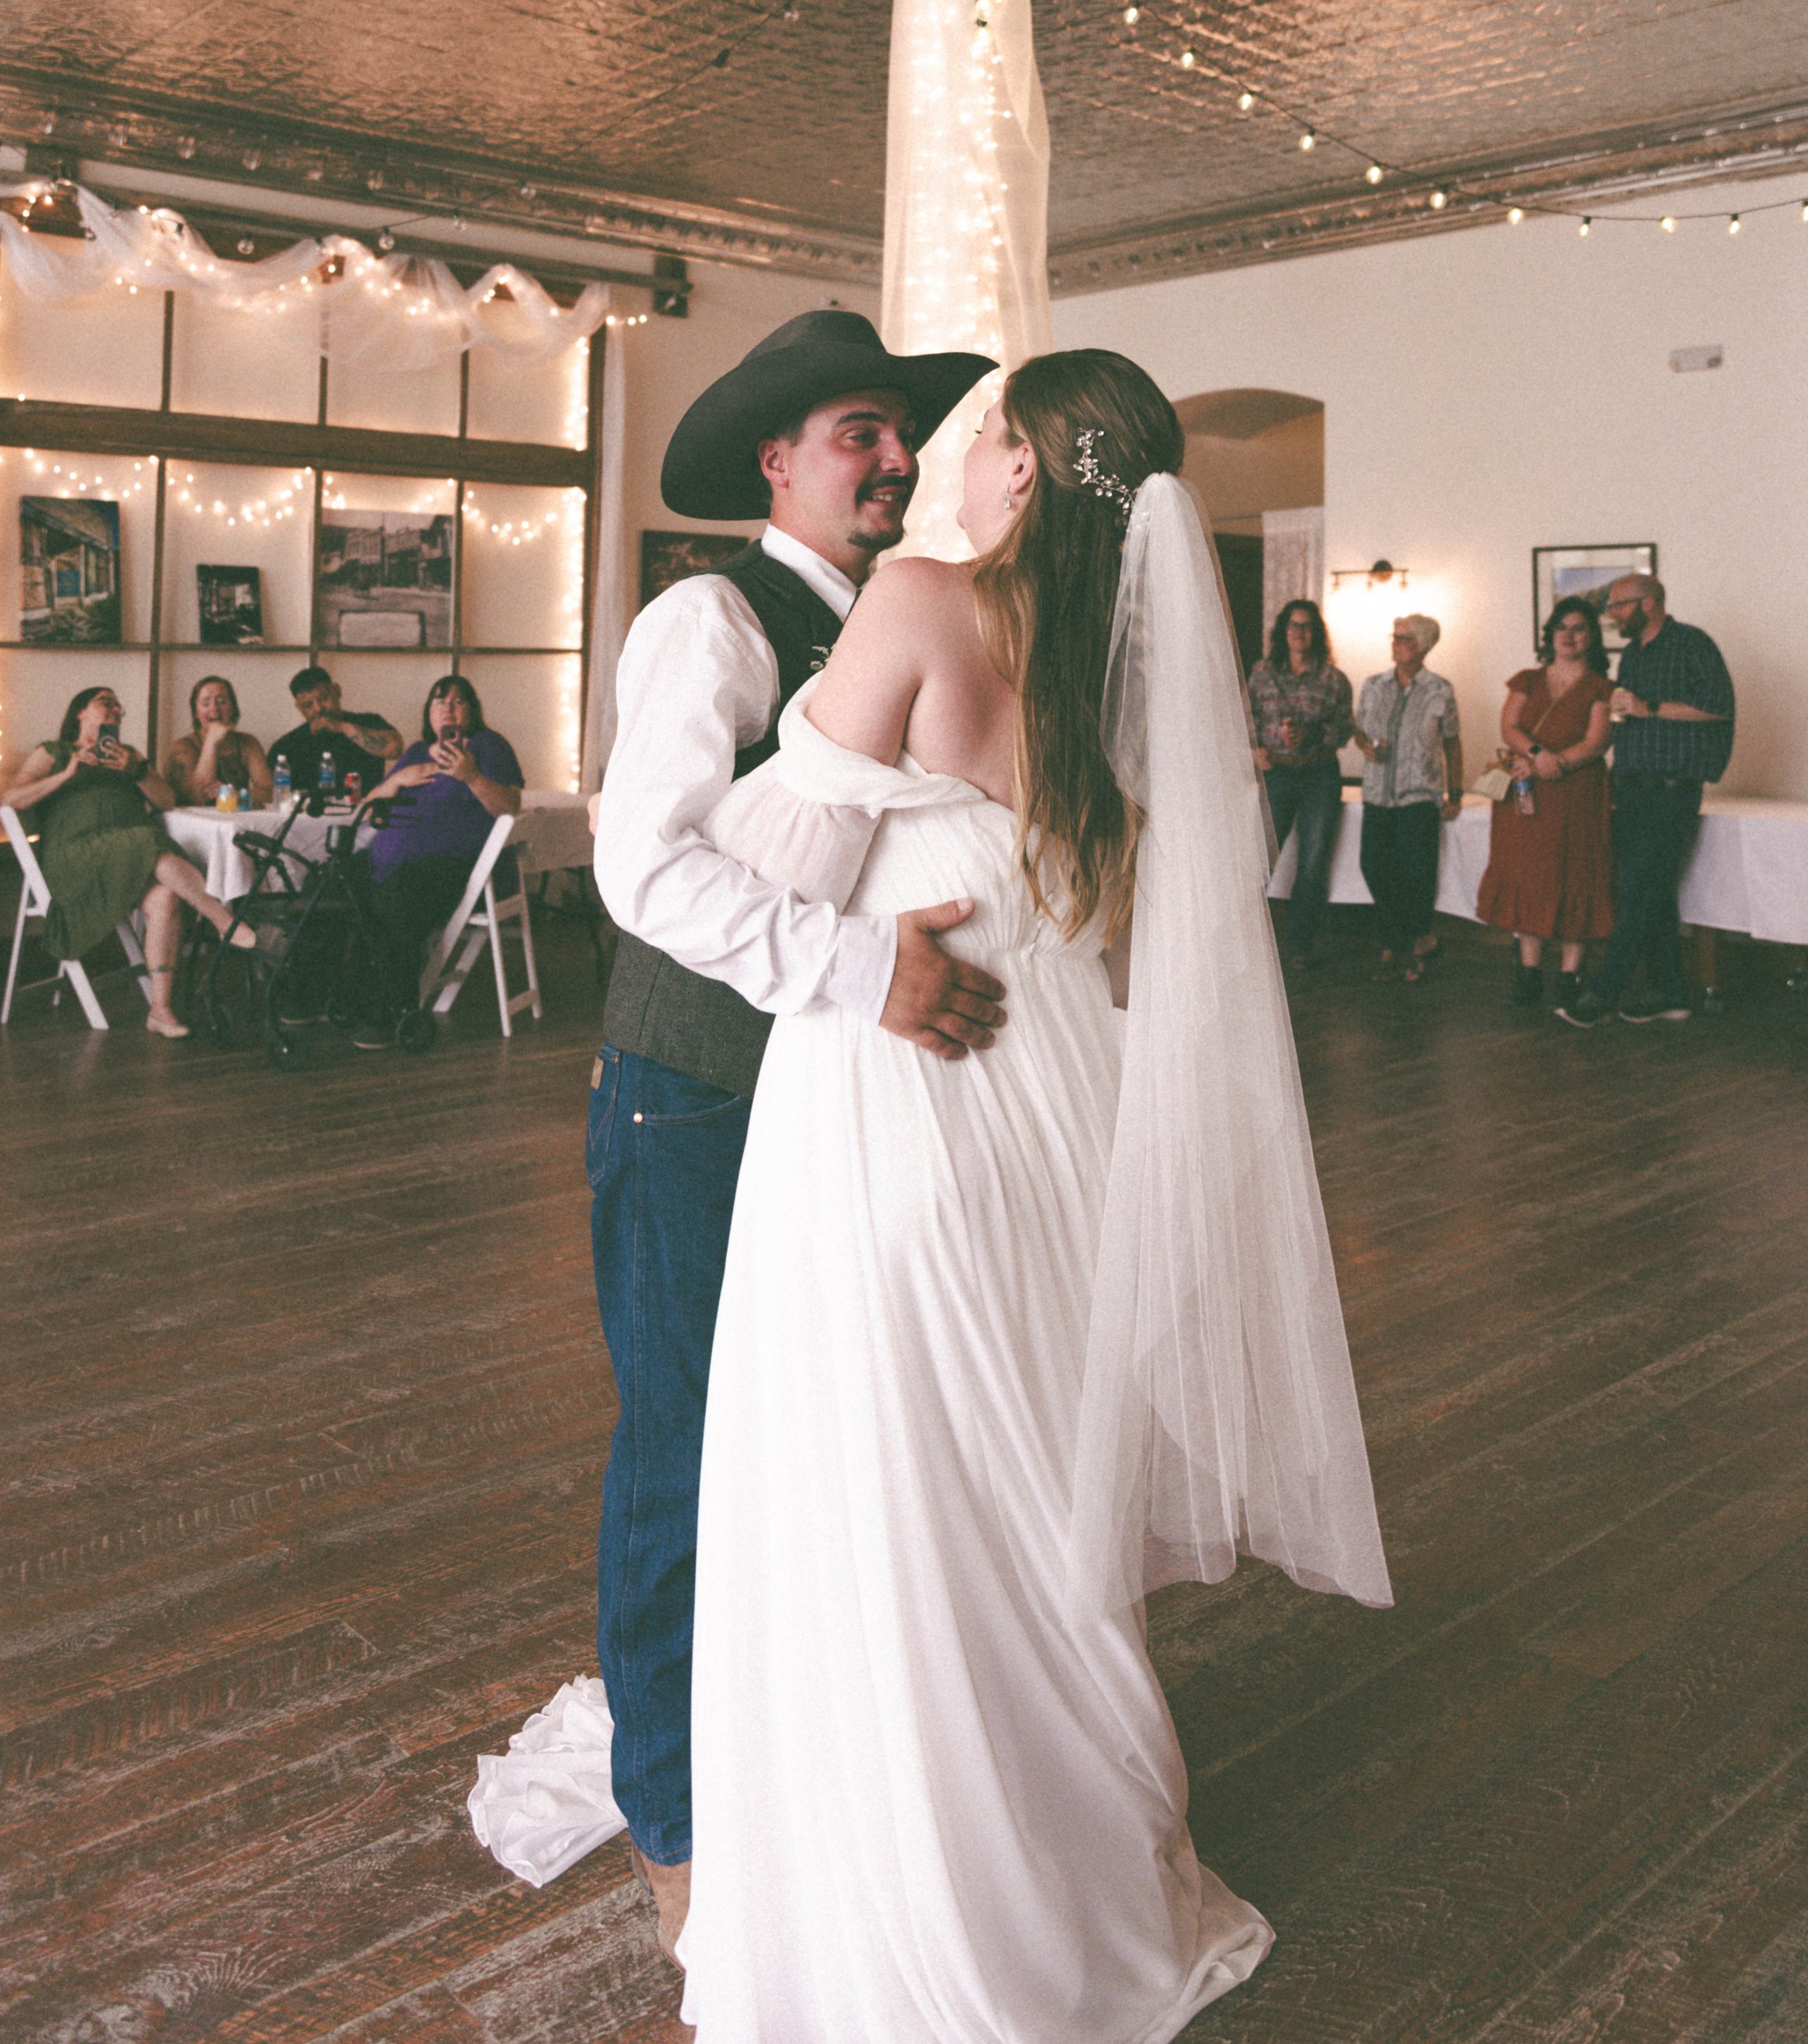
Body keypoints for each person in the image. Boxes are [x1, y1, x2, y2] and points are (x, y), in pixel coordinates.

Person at [678, 349, 1390, 2042]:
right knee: (1019, 1488)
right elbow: (1137, 941)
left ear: (1010, 463)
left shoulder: (918, 601)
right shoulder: (1122, 665)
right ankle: (1070, 1872)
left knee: (896, 1483)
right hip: (1061, 1106)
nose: (936, 446)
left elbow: (762, 871)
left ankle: (926, 1910)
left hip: (904, 1096)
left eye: (970, 423)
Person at [588, 308, 1004, 1963]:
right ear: (777, 457)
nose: (892, 458)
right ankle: (672, 1811)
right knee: (680, 1456)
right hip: (688, 1092)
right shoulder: (710, 613)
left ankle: (780, 1751)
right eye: (858, 430)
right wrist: (862, 970)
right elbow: (644, 869)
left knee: (810, 1442)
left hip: (836, 1105)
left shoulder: (912, 621)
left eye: (903, 436)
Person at [0, 686, 257, 1036]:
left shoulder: (129, 757)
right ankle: (221, 919)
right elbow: (10, 800)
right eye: (106, 703)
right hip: (76, 856)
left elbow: (167, 802)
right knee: (149, 838)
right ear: (80, 712)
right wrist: (66, 774)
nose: (116, 710)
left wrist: (138, 771)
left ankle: (160, 1011)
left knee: (165, 897)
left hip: (128, 855)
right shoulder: (54, 751)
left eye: (119, 706)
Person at [1557, 573, 1735, 1028]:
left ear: (1650, 604)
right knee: (1650, 893)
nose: (1612, 615)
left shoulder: (1693, 644)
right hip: (1632, 787)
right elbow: (1628, 716)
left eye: (1619, 606)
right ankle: (1671, 992)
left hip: (1673, 789)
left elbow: (1718, 706)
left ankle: (1602, 993)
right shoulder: (1633, 654)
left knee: (1639, 893)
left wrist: (1648, 707)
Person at [351, 675, 523, 1045]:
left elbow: (509, 809)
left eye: (458, 701)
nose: (447, 707)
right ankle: (345, 998)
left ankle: (394, 1011)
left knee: (395, 899)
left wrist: (472, 776)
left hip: (455, 867)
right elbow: (367, 810)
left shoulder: (489, 747)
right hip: (390, 862)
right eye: (439, 701)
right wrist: (398, 781)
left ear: (472, 711)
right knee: (339, 883)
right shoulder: (415, 752)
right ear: (428, 712)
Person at [1477, 597, 1613, 1006]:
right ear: (1550, 634)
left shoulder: (1602, 688)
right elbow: (1509, 726)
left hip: (1577, 794)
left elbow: (1596, 742)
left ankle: (1571, 974)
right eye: (1562, 628)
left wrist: (1556, 763)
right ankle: (1530, 971)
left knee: (1576, 874)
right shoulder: (1527, 680)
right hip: (1527, 793)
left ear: (1591, 638)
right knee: (1529, 875)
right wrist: (1539, 758)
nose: (1569, 636)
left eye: (1579, 629)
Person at [1353, 613, 1463, 982]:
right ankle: (1412, 940)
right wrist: (1365, 747)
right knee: (1373, 865)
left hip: (1419, 795)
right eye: (1396, 636)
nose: (1397, 643)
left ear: (1424, 647)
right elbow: (1359, 731)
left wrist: (1456, 792)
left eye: (1406, 639)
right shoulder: (1373, 685)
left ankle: (1398, 947)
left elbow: (1452, 742)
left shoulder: (1440, 690)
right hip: (1377, 793)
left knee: (1416, 874)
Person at [1248, 597, 1353, 968]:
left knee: (1312, 861)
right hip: (1276, 773)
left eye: (1307, 626)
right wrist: (1254, 749)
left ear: (1316, 633)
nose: (1299, 633)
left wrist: (1312, 734)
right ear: (1283, 631)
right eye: (1293, 625)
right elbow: (1245, 719)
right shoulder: (1262, 673)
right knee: (1260, 858)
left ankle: (1300, 946)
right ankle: (1246, 941)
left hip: (1318, 774)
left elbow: (1343, 729)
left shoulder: (1333, 679)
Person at [267, 667, 401, 798]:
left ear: (337, 691)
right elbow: (272, 794)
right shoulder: (286, 746)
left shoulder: (369, 722)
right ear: (299, 707)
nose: (318, 708)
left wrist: (341, 727)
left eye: (324, 698)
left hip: (365, 815)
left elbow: (395, 748)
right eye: (308, 705)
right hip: (307, 819)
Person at [162, 674, 274, 809]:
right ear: (196, 713)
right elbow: (198, 798)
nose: (214, 709)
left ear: (232, 709)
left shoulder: (248, 743)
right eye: (205, 703)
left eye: (222, 702)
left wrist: (231, 794)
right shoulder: (182, 747)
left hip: (235, 820)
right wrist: (211, 742)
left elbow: (270, 793)